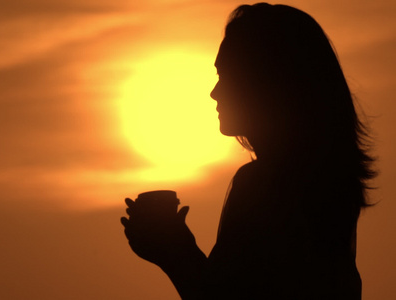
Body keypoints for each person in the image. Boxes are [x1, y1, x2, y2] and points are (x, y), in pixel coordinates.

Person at [121, 3, 376, 299]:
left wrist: (175, 251)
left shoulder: (266, 186)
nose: (215, 92)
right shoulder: (328, 188)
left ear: (266, 83)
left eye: (227, 75)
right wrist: (176, 249)